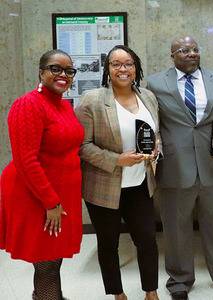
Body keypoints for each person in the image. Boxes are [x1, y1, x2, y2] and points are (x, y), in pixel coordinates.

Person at [146, 35, 213, 300]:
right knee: (176, 228)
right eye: (184, 50)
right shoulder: (155, 83)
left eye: (195, 50)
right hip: (175, 168)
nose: (191, 54)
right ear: (173, 55)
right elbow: (149, 121)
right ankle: (179, 280)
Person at [75, 45, 160, 300]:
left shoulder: (148, 97)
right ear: (108, 69)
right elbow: (82, 146)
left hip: (140, 185)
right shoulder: (92, 99)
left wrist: (156, 149)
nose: (123, 69)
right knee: (109, 244)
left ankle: (151, 292)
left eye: (129, 64)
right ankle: (118, 294)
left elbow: (158, 134)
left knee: (147, 241)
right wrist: (117, 160)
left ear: (136, 68)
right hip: (103, 187)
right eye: (116, 64)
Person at [0, 49, 83, 300]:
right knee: (46, 262)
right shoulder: (28, 104)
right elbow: (26, 160)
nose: (63, 75)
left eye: (69, 71)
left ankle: (49, 297)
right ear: (41, 72)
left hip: (58, 195)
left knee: (53, 258)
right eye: (55, 69)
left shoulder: (63, 106)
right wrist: (51, 202)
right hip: (37, 196)